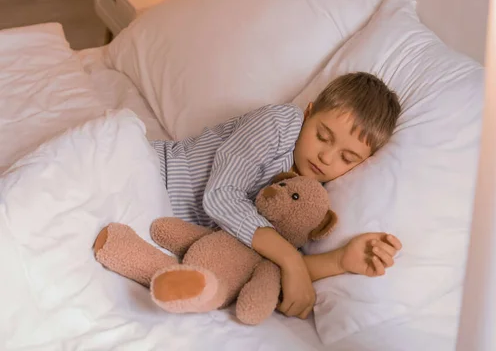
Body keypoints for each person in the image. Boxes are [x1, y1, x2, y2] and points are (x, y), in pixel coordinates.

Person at [150, 72, 403, 320]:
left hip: (162, 223)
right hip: (152, 171)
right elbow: (221, 194)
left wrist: (340, 260)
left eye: (347, 158)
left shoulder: (314, 195)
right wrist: (290, 258)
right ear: (308, 113)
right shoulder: (282, 123)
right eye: (322, 136)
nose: (326, 158)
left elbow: (270, 264)